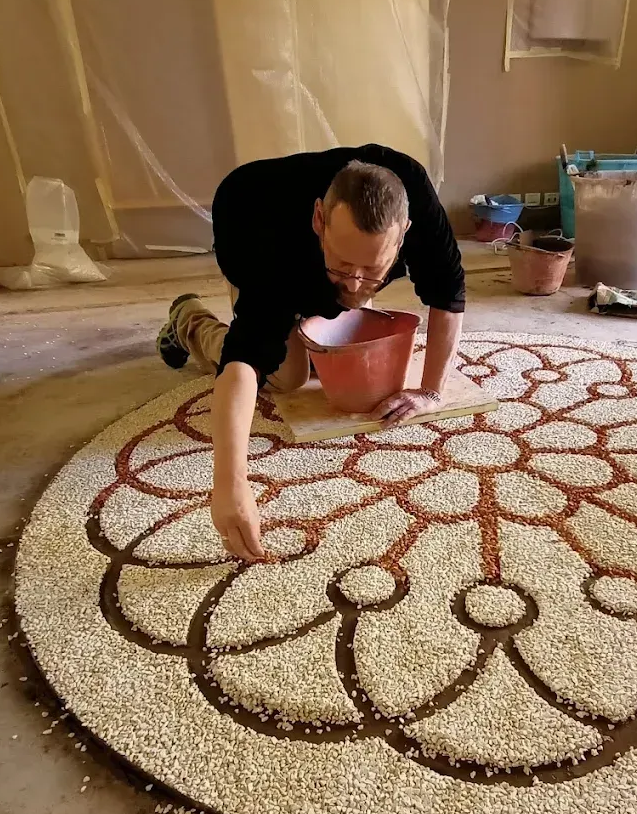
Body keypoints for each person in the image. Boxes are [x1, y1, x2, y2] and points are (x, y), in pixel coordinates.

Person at [156, 144, 466, 563]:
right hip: (248, 213)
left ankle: (323, 295)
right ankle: (189, 321)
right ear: (320, 220)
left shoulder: (419, 207)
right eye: (343, 266)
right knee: (288, 377)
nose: (356, 285)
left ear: (405, 232)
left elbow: (448, 294)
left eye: (373, 270)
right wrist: (230, 483)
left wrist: (431, 391)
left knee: (349, 343)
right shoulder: (269, 242)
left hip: (314, 243)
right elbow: (244, 359)